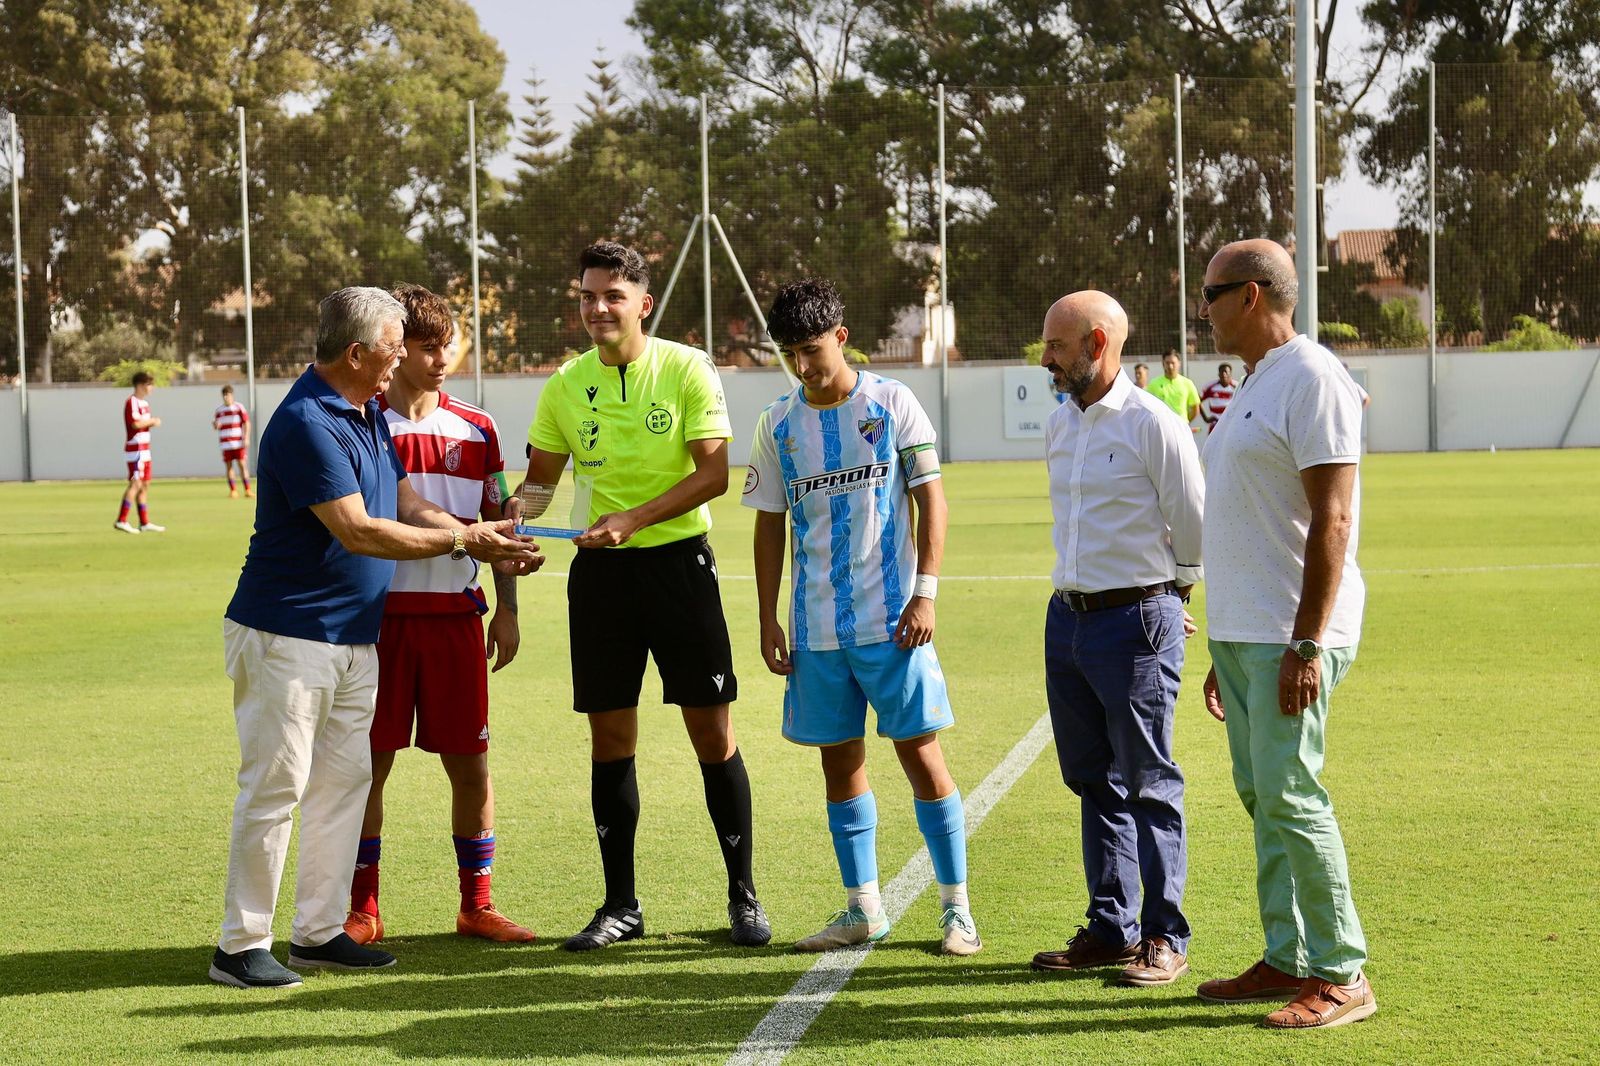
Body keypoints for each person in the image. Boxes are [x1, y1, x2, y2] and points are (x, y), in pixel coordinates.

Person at [212, 286, 541, 990]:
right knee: (275, 788)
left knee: (343, 784)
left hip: (354, 637)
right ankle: (240, 946)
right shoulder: (307, 420)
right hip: (288, 634)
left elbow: (404, 501)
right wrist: (465, 539)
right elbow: (359, 527)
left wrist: (476, 537)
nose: (404, 361)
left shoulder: (362, 413)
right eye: (395, 348)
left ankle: (320, 932)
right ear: (358, 352)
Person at [522, 240, 770, 951]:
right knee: (610, 739)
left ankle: (743, 897)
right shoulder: (566, 384)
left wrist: (631, 519)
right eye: (587, 297)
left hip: (679, 568)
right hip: (601, 580)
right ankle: (620, 906)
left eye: (612, 297)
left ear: (643, 304)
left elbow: (714, 475)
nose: (597, 309)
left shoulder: (686, 367)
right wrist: (507, 522)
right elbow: (540, 484)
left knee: (713, 736)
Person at [745, 278, 981, 957]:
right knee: (839, 763)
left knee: (921, 755)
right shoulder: (778, 424)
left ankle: (956, 910)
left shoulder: (892, 402)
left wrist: (927, 591)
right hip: (817, 629)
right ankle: (862, 909)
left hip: (893, 621)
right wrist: (768, 617)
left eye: (812, 349)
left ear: (841, 337)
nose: (803, 365)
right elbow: (767, 527)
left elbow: (930, 499)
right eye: (791, 353)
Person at [1196, 239, 1376, 1030]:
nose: (1201, 308)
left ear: (1251, 295)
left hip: (1290, 636)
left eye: (1210, 293)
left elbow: (1332, 519)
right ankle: (1286, 957)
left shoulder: (1313, 377)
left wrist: (1304, 645)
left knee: (1294, 796)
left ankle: (1342, 972)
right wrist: (1224, 644)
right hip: (1246, 635)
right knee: (1261, 798)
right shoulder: (1258, 382)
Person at [342, 284, 535, 948]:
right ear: (396, 351)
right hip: (377, 621)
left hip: (455, 617)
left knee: (470, 763)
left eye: (446, 344)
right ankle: (362, 908)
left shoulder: (478, 428)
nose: (441, 358)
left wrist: (507, 608)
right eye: (427, 347)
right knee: (369, 764)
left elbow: (500, 525)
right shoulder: (361, 424)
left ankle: (476, 905)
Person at [1027, 292, 1205, 987]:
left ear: (1097, 344)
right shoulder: (1059, 425)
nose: (1046, 357)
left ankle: (1165, 935)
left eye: (1057, 346)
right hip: (1066, 619)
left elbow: (1191, 522)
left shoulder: (1153, 424)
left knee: (1149, 782)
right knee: (1092, 780)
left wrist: (1166, 597)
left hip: (1133, 623)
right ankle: (1111, 928)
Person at [115, 371, 164, 533]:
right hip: (135, 450)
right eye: (149, 384)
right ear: (141, 385)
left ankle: (144, 522)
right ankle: (122, 520)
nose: (152, 388)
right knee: (135, 483)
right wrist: (153, 421)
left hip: (145, 450)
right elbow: (135, 424)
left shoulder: (144, 404)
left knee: (144, 485)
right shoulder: (132, 402)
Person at [214, 385, 253, 497]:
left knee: (242, 464)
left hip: (238, 442)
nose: (226, 397)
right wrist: (216, 425)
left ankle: (247, 489)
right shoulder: (219, 410)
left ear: (232, 395)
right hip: (226, 444)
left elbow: (247, 423)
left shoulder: (239, 407)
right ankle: (233, 490)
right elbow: (216, 424)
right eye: (224, 395)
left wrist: (246, 437)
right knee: (229, 467)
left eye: (228, 395)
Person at [1146, 349, 1201, 428]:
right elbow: (1147, 407)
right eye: (1167, 363)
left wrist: (1184, 423)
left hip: (1181, 428)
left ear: (1179, 364)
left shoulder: (1187, 383)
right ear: (1163, 364)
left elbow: (1195, 409)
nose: (1170, 366)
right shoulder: (1153, 384)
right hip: (1161, 427)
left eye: (1173, 363)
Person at [1199, 363, 1236, 432]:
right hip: (1215, 425)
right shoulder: (1210, 387)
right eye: (1222, 372)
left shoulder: (1237, 386)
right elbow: (1197, 401)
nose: (1224, 374)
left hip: (1231, 425)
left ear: (1230, 374)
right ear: (1218, 374)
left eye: (1226, 372)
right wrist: (1206, 419)